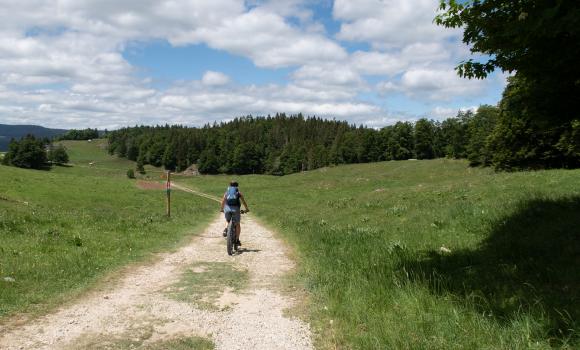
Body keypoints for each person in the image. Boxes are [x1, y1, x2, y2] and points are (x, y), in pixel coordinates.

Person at [220, 180, 249, 245]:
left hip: (227, 209)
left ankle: (226, 230)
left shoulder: (227, 192)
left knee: (227, 221)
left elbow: (223, 201)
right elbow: (243, 202)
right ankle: (237, 240)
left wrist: (222, 209)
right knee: (238, 224)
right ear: (237, 186)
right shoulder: (238, 192)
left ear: (230, 185)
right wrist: (247, 209)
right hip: (236, 209)